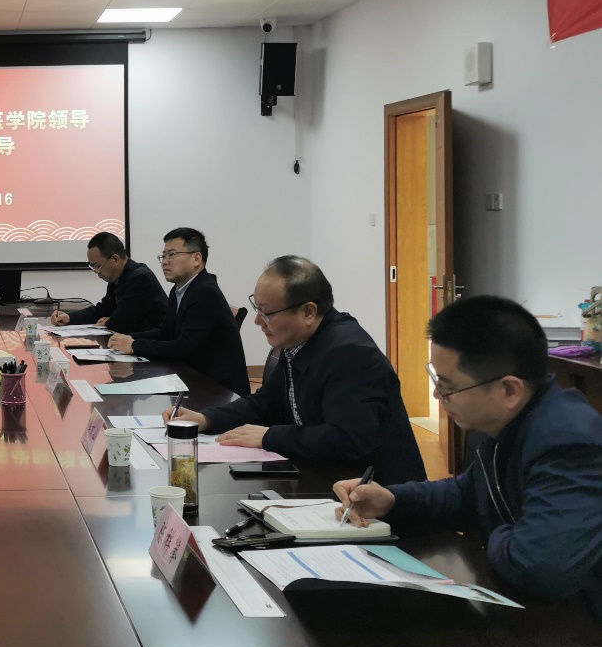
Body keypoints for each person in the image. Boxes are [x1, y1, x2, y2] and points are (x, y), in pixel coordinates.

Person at [335, 296, 602, 618]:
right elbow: (468, 493)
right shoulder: (506, 420)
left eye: (448, 386)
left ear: (509, 390)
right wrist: (392, 500)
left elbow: (541, 567)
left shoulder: (569, 441)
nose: (438, 395)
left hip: (580, 626)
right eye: (437, 379)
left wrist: (497, 531)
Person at [172, 256, 426, 485]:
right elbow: (266, 403)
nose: (258, 321)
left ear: (308, 312)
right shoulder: (300, 341)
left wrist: (270, 436)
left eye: (266, 313)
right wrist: (206, 418)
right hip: (324, 476)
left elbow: (349, 439)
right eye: (257, 308)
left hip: (375, 495)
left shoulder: (350, 353)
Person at [107, 228, 249, 395]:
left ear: (196, 259)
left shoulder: (205, 292)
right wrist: (130, 338)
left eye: (172, 255)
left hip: (217, 389)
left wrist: (134, 345)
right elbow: (165, 332)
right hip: (192, 377)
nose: (165, 262)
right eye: (163, 256)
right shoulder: (179, 290)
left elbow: (184, 348)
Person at [48, 232, 167, 333]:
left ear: (115, 259)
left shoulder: (140, 278)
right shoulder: (117, 277)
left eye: (98, 266)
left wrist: (110, 321)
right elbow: (103, 310)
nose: (96, 272)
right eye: (93, 267)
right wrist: (69, 317)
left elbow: (122, 323)